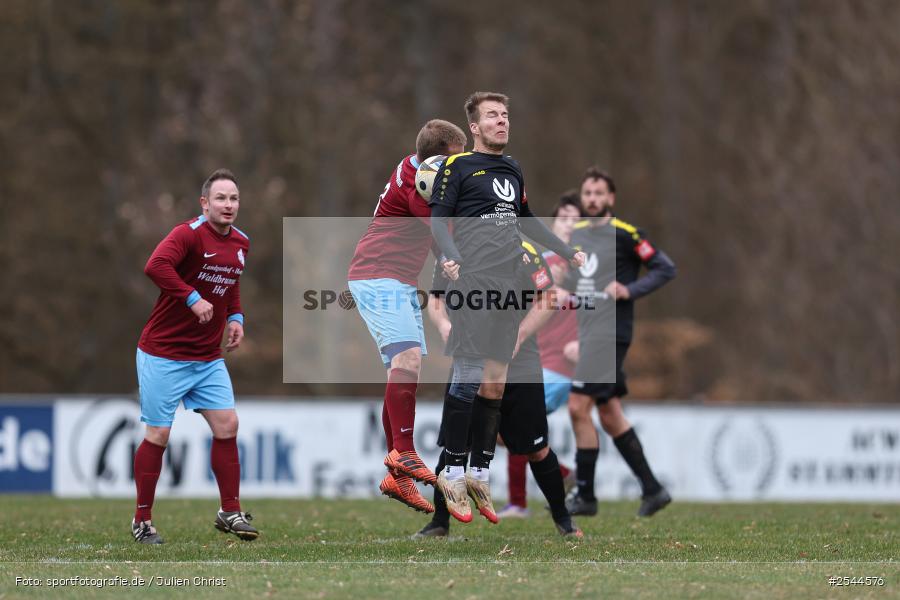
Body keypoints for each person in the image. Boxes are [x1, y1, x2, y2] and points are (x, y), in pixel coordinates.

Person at [428, 91, 586, 523]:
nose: (502, 121)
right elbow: (437, 218)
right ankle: (454, 472)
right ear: (474, 127)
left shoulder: (513, 168)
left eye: (505, 115)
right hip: (473, 282)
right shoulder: (455, 167)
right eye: (492, 116)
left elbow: (527, 220)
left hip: (507, 292)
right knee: (467, 377)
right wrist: (447, 256)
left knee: (493, 385)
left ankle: (479, 472)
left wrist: (563, 250)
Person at [415, 243, 582, 537]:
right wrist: (443, 325)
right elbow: (436, 299)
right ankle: (440, 522)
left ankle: (564, 520)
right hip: (470, 354)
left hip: (520, 359)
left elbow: (548, 297)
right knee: (456, 444)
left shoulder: (526, 249)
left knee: (537, 447)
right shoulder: (456, 249)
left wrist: (520, 334)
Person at [347, 119, 467, 513]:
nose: (460, 165)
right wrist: (453, 255)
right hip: (379, 276)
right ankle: (405, 451)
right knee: (408, 359)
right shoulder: (420, 182)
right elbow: (438, 227)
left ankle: (397, 476)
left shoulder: (416, 167)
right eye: (456, 157)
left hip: (393, 279)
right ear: (440, 157)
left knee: (401, 366)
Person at [133, 169, 257, 543]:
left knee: (228, 426)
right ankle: (142, 521)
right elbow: (155, 266)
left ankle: (230, 512)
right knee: (158, 434)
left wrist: (235, 317)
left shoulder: (241, 242)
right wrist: (191, 298)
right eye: (220, 198)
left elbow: (230, 283)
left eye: (233, 198)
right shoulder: (187, 234)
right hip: (163, 353)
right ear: (205, 203)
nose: (228, 205)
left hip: (206, 357)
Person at [561, 167, 676, 517]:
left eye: (599, 193)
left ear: (611, 198)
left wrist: (629, 290)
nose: (592, 199)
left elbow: (665, 268)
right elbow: (569, 283)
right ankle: (653, 490)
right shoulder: (574, 235)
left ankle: (585, 496)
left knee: (578, 407)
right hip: (589, 332)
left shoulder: (626, 234)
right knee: (609, 415)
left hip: (610, 333)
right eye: (588, 194)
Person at [498, 192, 582, 518]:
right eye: (564, 219)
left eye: (576, 220)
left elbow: (604, 309)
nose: (569, 225)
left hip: (561, 366)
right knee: (514, 428)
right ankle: (564, 476)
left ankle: (520, 502)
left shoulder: (588, 266)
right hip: (535, 359)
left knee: (515, 425)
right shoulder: (541, 258)